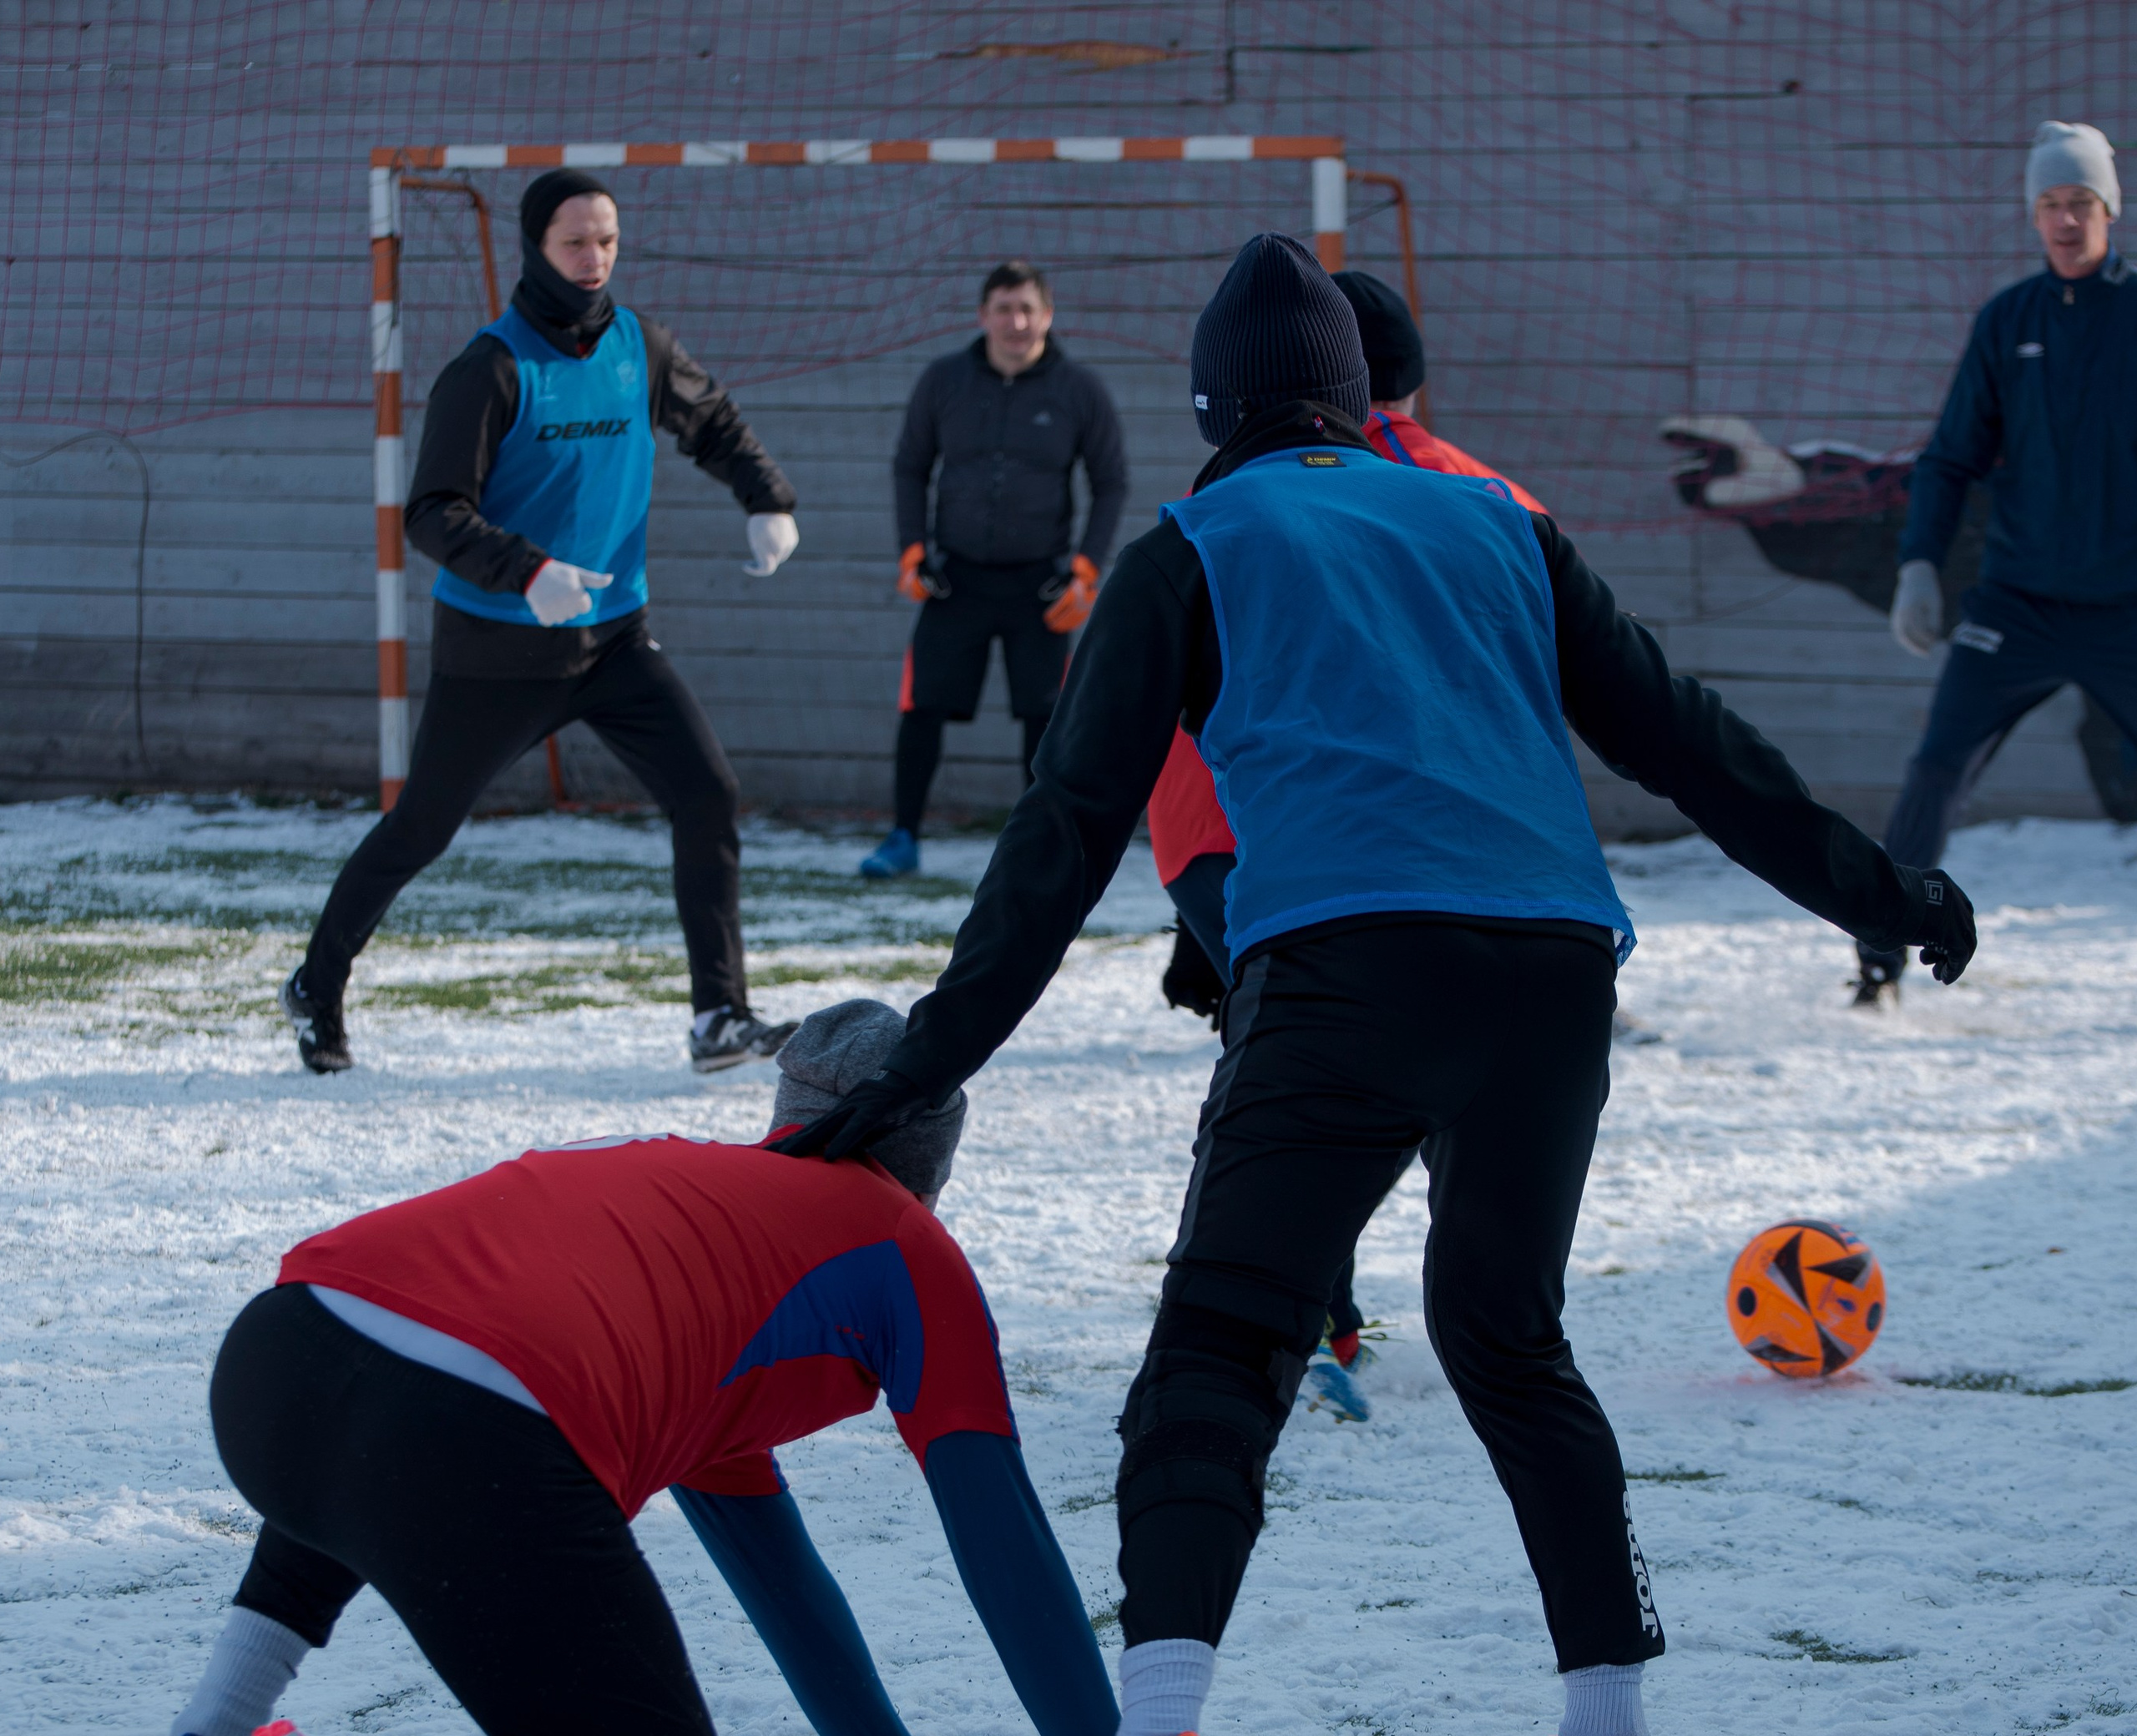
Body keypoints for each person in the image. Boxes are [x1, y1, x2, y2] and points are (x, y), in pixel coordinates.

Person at [775, 235, 1978, 1736]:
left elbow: (1060, 838)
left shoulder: (1190, 545)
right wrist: (1886, 895)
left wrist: (921, 1067)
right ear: (1356, 401)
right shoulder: (1497, 520)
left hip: (1346, 969)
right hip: (1551, 976)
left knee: (1220, 1341)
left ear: (1214, 408)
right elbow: (1693, 744)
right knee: (1509, 1338)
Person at [119, 1002, 1125, 1736]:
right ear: (930, 1158)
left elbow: (789, 1593)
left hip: (275, 1361)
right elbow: (1008, 1553)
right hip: (457, 1431)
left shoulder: (708, 1232)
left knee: (382, 1420)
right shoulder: (903, 1245)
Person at [281, 168, 803, 1077]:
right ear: (536, 248)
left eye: (607, 240)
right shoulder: (490, 368)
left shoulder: (640, 346)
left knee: (706, 793)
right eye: (575, 242)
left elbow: (713, 422)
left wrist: (767, 497)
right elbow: (432, 513)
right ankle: (315, 986)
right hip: (498, 651)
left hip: (614, 640)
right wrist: (525, 571)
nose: (594, 258)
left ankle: (720, 1015)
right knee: (421, 830)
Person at [1150, 268, 1552, 1426]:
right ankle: (1335, 1326)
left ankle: (1293, 1320)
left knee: (1290, 1069)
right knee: (1379, 1079)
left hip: (1209, 830)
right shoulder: (1467, 494)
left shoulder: (1235, 487)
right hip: (1368, 840)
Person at [1860, 119, 2136, 1005]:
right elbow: (1950, 459)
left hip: (2126, 609)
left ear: (2110, 210)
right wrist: (1918, 565)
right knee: (1936, 770)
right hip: (2017, 606)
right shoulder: (2007, 321)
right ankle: (1879, 961)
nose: (2066, 219)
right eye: (2050, 203)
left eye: (2081, 201)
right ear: (2033, 215)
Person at [859, 262, 1129, 880]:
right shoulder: (944, 381)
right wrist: (912, 550)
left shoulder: (1079, 389)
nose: (1016, 322)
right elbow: (910, 465)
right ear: (982, 315)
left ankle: (1041, 849)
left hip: (1042, 587)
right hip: (955, 581)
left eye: (1028, 308)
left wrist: (1086, 570)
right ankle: (902, 837)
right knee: (922, 708)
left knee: (1045, 721)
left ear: (1048, 315)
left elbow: (1111, 482)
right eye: (1004, 308)